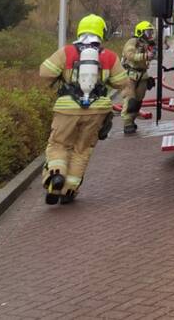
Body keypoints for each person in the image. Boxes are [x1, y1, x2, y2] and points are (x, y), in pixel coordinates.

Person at [39, 14, 130, 204]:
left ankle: (56, 176)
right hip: (96, 112)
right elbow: (122, 82)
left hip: (67, 109)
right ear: (101, 32)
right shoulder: (109, 56)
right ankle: (69, 191)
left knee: (59, 144)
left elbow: (45, 73)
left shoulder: (67, 52)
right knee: (82, 150)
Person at [121, 20, 156, 135]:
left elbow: (153, 57)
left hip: (142, 75)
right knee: (130, 100)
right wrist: (145, 56)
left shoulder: (147, 44)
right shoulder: (132, 42)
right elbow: (129, 55)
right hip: (130, 76)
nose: (150, 35)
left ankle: (132, 120)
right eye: (147, 32)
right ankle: (127, 124)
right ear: (141, 32)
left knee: (138, 101)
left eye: (151, 32)